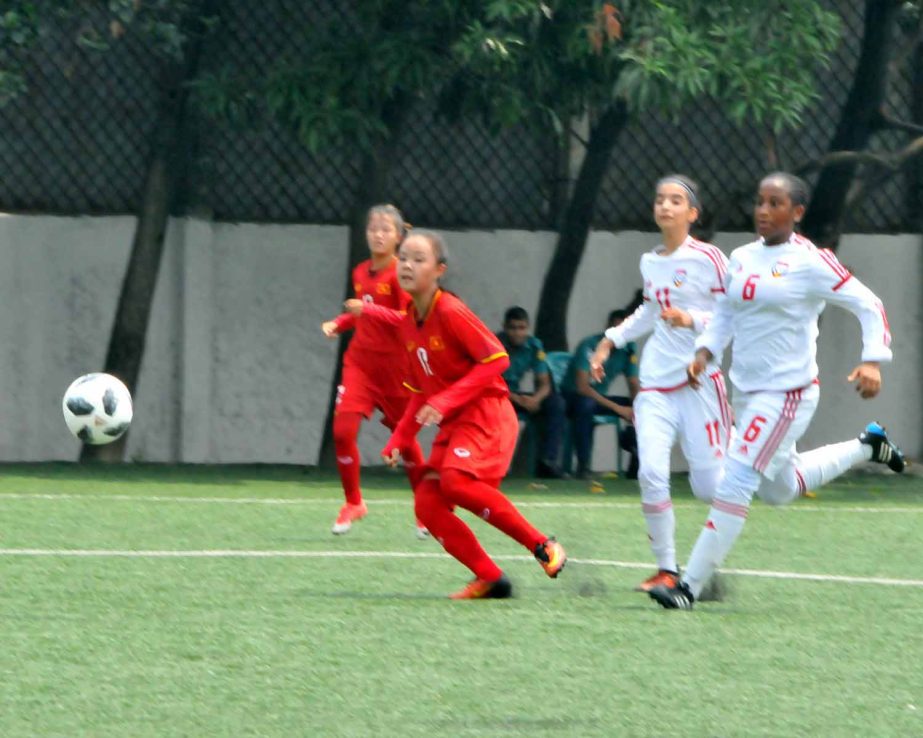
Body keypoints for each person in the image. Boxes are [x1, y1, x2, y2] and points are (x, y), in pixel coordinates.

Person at [649, 172, 906, 611]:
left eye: (775, 204)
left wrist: (872, 360)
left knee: (738, 478)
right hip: (747, 391)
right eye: (760, 202)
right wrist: (704, 352)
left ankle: (687, 586)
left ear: (797, 213)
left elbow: (869, 304)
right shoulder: (743, 256)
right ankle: (868, 446)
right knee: (779, 489)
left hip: (788, 394)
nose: (764, 212)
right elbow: (727, 312)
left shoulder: (811, 261)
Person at [380, 229, 567, 599]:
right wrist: (399, 439)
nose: (407, 265)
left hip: (486, 414)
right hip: (456, 422)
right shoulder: (406, 324)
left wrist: (446, 401)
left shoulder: (449, 309)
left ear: (439, 270)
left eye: (419, 259)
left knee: (454, 482)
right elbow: (419, 394)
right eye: (403, 257)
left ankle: (543, 546)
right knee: (428, 504)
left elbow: (496, 359)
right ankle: (490, 577)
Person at [591, 174, 731, 593]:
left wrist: (693, 320)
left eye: (675, 201)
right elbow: (649, 312)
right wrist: (608, 342)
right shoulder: (650, 262)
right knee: (651, 472)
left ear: (692, 213)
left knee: (710, 487)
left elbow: (732, 314)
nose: (665, 207)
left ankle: (760, 466)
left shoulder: (710, 259)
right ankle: (667, 570)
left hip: (700, 385)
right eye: (659, 200)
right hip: (655, 386)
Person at [320, 204, 427, 538]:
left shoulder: (401, 274)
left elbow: (405, 320)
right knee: (342, 431)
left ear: (398, 236)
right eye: (372, 229)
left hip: (396, 369)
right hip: (361, 365)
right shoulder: (361, 271)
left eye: (385, 229)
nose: (377, 235)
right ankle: (354, 502)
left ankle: (426, 509)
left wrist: (364, 309)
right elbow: (360, 314)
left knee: (405, 440)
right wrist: (339, 323)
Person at [561, 311, 640, 479]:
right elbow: (582, 387)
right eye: (616, 329)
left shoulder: (628, 349)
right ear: (608, 329)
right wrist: (618, 409)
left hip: (599, 398)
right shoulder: (589, 345)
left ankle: (636, 463)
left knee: (644, 407)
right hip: (573, 396)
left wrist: (637, 407)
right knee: (586, 405)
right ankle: (583, 466)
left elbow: (633, 383)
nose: (620, 334)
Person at [497, 306, 567, 478]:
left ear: (527, 328)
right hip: (496, 394)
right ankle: (497, 465)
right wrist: (517, 399)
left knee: (556, 403)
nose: (517, 333)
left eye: (521, 328)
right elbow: (489, 382)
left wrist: (535, 399)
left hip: (516, 396)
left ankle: (548, 462)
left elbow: (545, 383)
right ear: (505, 327)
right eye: (512, 328)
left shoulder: (534, 345)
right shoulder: (494, 343)